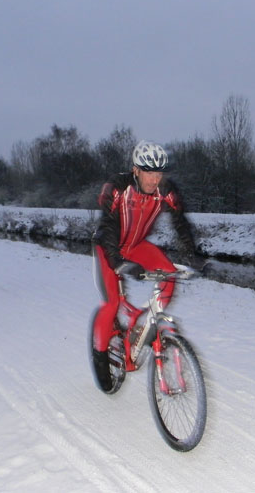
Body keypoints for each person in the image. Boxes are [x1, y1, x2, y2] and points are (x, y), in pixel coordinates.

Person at [91, 140, 204, 392]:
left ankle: (144, 327)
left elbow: (181, 224)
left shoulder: (166, 190)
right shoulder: (117, 187)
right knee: (111, 304)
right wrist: (118, 263)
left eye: (159, 173)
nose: (155, 179)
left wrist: (193, 254)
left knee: (170, 275)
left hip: (137, 245)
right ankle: (100, 361)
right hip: (108, 247)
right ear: (136, 170)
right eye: (149, 172)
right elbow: (108, 227)